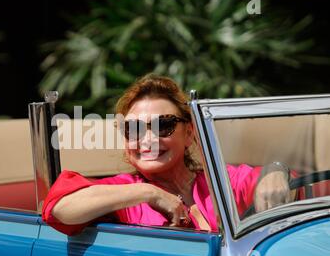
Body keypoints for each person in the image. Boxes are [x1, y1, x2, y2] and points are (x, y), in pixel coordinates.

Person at [42, 74, 294, 236]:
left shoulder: (220, 181)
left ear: (189, 133)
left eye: (163, 125)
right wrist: (148, 193)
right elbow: (59, 208)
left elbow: (277, 184)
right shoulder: (124, 191)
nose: (148, 139)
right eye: (133, 128)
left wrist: (276, 170)